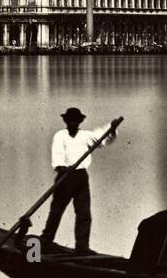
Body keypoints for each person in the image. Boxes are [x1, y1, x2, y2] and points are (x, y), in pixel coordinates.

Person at [39, 107, 119, 253]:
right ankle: (46, 240)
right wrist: (62, 168)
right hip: (65, 176)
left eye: (76, 121)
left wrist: (112, 129)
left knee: (84, 213)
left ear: (80, 122)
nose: (73, 124)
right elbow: (57, 158)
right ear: (66, 121)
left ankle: (82, 246)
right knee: (56, 210)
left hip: (81, 177)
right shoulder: (60, 136)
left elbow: (104, 139)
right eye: (71, 121)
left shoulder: (86, 136)